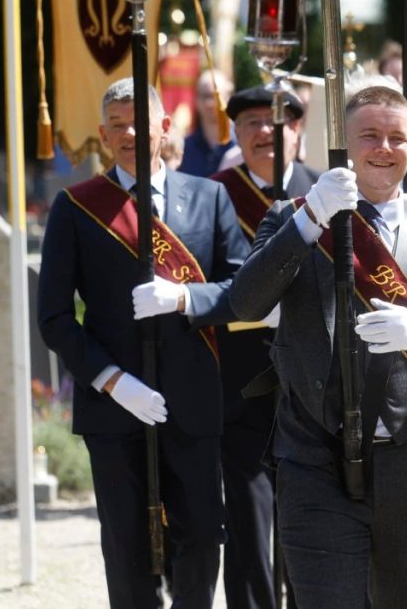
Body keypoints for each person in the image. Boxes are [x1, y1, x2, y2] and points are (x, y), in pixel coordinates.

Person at [229, 85, 407, 608]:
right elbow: (245, 303)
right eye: (369, 135)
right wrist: (307, 219)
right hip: (315, 456)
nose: (383, 148)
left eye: (397, 137)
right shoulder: (294, 217)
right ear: (343, 144)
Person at [37, 78, 249, 609]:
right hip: (115, 404)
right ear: (105, 136)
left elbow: (242, 289)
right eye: (116, 125)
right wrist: (110, 380)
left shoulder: (210, 197)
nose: (129, 132)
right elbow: (55, 317)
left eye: (139, 120)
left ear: (164, 126)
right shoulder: (77, 206)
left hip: (193, 400)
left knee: (201, 537)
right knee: (128, 549)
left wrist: (184, 298)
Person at [210, 85, 319, 609]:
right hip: (239, 382)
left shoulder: (326, 192)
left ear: (298, 131)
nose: (265, 133)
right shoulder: (213, 195)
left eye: (278, 122)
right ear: (235, 133)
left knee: (312, 521)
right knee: (250, 523)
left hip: (316, 383)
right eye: (251, 122)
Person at [179, 69, 239, 177]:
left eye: (216, 96)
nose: (210, 103)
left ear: (229, 97)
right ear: (196, 99)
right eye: (205, 96)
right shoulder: (184, 149)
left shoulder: (243, 145)